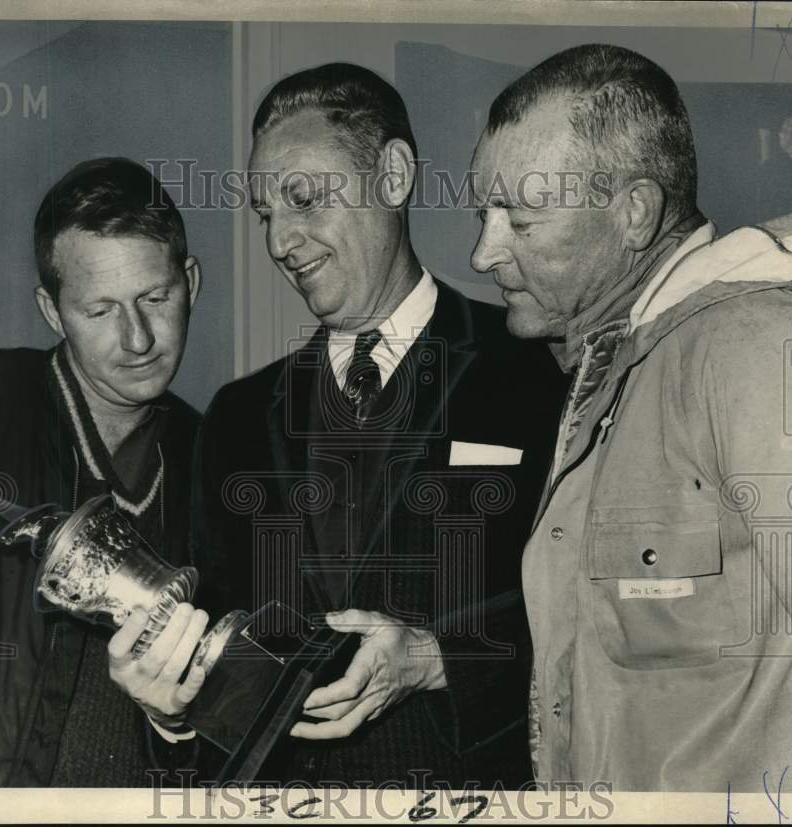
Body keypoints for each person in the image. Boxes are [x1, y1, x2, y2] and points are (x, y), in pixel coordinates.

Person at [167, 62, 567, 788]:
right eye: (265, 213)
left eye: (304, 199)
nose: (281, 241)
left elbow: (597, 613)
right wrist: (169, 702)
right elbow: (218, 658)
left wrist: (437, 659)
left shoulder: (540, 375)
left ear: (393, 174)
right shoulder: (234, 420)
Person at [469, 43, 792, 791]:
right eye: (484, 212)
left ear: (633, 212)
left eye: (520, 219)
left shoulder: (755, 348)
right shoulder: (617, 368)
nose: (482, 252)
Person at [0, 157, 206, 786]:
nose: (138, 338)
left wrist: (177, 726)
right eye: (100, 311)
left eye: (154, 297)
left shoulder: (222, 459)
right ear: (51, 310)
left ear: (190, 282)